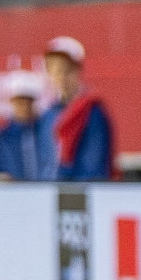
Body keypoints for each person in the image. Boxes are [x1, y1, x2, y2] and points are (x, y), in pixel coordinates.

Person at [41, 37, 114, 182]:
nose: (61, 76)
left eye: (67, 70)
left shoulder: (92, 112)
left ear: (77, 71)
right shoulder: (47, 115)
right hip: (48, 196)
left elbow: (93, 169)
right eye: (54, 70)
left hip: (79, 197)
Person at [0, 76, 58, 181]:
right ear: (12, 101)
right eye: (20, 101)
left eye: (29, 101)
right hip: (10, 195)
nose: (25, 106)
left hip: (44, 194)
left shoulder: (45, 133)